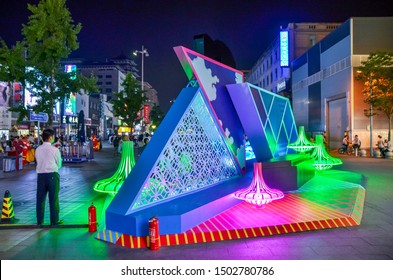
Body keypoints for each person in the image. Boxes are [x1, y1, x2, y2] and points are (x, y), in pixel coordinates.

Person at [35, 128, 63, 227]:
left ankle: (39, 221)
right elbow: (59, 164)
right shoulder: (55, 150)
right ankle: (54, 221)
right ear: (50, 137)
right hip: (52, 175)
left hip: (41, 176)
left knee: (40, 199)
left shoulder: (38, 149)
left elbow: (37, 162)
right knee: (53, 199)